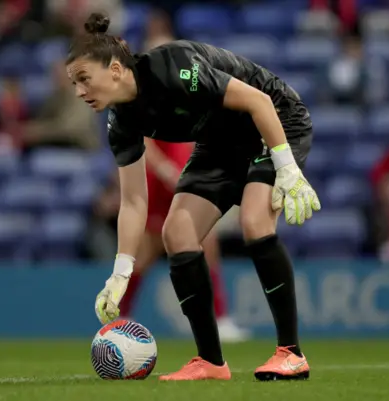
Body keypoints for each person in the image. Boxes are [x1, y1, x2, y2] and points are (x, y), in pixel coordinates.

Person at [67, 13, 320, 381]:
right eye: (74, 83)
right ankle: (211, 362)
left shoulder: (173, 66)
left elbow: (259, 101)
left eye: (84, 79)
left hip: (274, 121)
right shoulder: (121, 123)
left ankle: (291, 353)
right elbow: (135, 201)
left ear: (117, 70)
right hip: (220, 142)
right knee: (177, 233)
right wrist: (120, 272)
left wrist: (288, 170)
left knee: (254, 220)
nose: (79, 92)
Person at [118, 137, 251, 342]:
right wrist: (164, 169)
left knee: (208, 247)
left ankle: (219, 318)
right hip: (160, 185)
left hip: (187, 179)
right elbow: (142, 140)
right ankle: (121, 315)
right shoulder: (150, 108)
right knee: (144, 257)